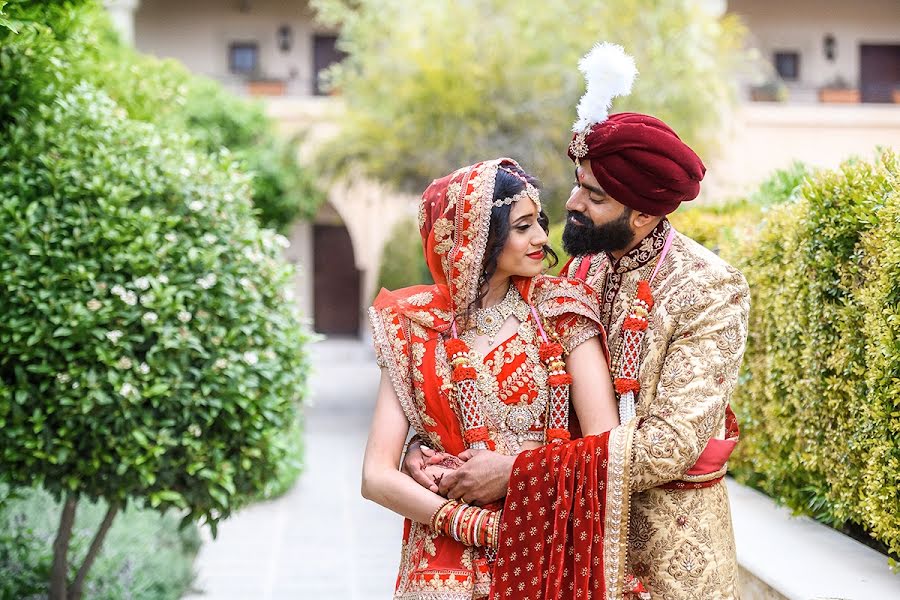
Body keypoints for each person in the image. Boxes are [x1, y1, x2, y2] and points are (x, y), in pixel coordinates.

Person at [404, 43, 750, 598]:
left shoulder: (707, 287)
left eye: (593, 195)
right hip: (568, 547)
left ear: (643, 213)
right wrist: (426, 446)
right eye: (577, 183)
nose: (571, 204)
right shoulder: (577, 273)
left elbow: (669, 444)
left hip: (667, 554)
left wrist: (517, 473)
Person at [362, 157, 636, 599]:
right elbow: (376, 475)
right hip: (442, 564)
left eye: (540, 222)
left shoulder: (560, 313)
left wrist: (515, 486)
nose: (542, 239)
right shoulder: (413, 327)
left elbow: (604, 449)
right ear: (477, 239)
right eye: (523, 226)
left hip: (542, 544)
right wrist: (477, 525)